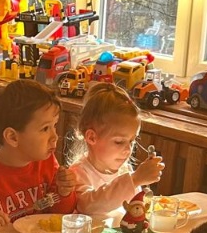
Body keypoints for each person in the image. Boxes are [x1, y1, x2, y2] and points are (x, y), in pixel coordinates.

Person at [0, 80, 78, 230]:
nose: (55, 136)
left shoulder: (48, 163)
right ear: (13, 137)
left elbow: (61, 215)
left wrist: (64, 192)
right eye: (45, 129)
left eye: (54, 125)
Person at [67, 82, 166, 220]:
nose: (128, 149)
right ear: (92, 137)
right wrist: (135, 180)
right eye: (119, 142)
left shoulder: (124, 169)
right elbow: (88, 205)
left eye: (132, 141)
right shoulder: (78, 173)